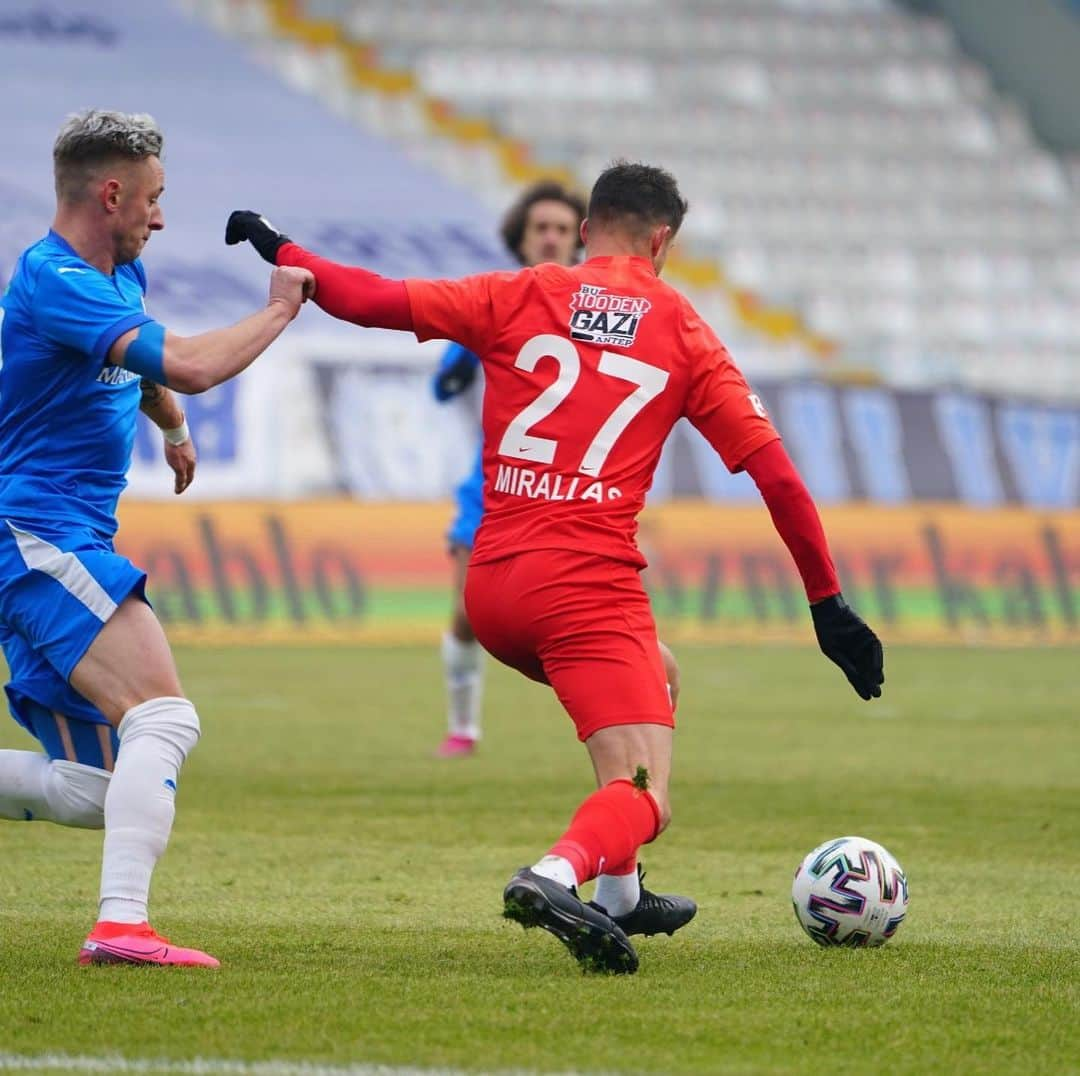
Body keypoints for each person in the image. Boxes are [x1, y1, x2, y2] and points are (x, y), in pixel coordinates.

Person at [225, 161, 884, 975]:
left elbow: (368, 299)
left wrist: (284, 248)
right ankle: (553, 875)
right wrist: (826, 602)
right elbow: (777, 477)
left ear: (584, 228)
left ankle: (621, 896)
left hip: (494, 584)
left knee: (661, 673)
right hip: (583, 591)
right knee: (646, 797)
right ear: (662, 240)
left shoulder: (519, 293)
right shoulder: (681, 328)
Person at [0, 109, 313, 967]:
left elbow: (145, 375)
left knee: (96, 789)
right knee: (165, 716)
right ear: (111, 194)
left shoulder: (112, 279)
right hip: (38, 536)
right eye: (154, 199)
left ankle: (121, 922)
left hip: (46, 539)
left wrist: (170, 428)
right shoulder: (55, 279)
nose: (162, 217)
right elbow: (192, 363)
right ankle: (120, 927)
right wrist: (280, 308)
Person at [432, 181, 585, 758]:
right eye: (540, 227)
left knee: (581, 616)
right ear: (520, 239)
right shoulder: (495, 303)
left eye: (562, 229)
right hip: (494, 484)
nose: (550, 237)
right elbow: (447, 379)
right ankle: (463, 728)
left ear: (579, 241)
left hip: (575, 487)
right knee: (468, 614)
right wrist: (457, 366)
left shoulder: (602, 311)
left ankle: (618, 723)